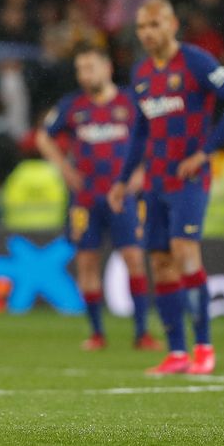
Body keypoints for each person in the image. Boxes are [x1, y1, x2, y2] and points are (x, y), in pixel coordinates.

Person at [107, 0, 224, 375]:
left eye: (153, 24)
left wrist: (205, 153)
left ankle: (204, 347)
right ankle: (176, 353)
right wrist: (123, 180)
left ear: (172, 24)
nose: (146, 33)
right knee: (159, 261)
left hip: (188, 178)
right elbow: (139, 132)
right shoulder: (141, 73)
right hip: (154, 179)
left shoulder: (196, 61)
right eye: (141, 27)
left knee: (186, 251)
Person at [35, 45, 161, 352]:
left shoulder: (131, 102)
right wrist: (64, 167)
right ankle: (96, 333)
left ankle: (142, 332)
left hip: (122, 196)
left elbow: (157, 134)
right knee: (87, 262)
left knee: (134, 258)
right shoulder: (73, 105)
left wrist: (142, 172)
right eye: (80, 69)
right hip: (86, 197)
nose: (84, 74)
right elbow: (43, 136)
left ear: (106, 68)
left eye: (90, 67)